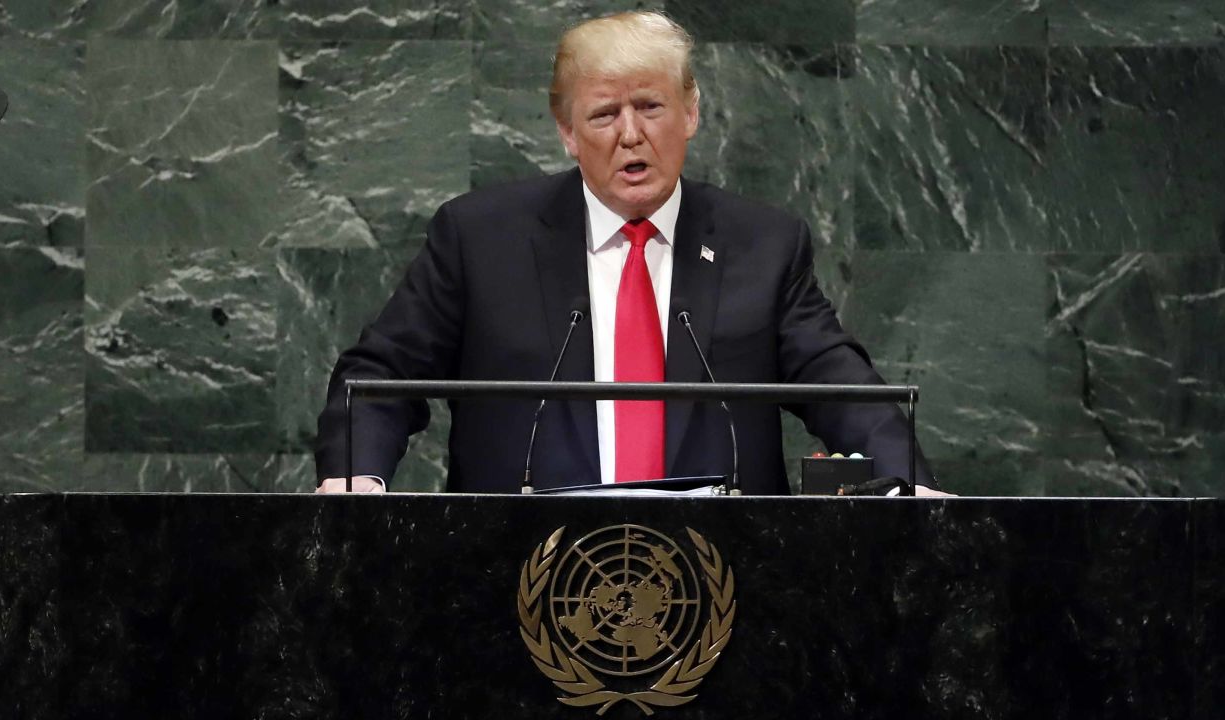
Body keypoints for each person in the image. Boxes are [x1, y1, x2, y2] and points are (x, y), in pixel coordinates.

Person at [315, 11, 945, 495]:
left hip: (721, 583)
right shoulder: (481, 239)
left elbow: (845, 390)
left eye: (650, 106)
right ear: (566, 132)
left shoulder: (764, 244)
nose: (631, 134)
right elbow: (379, 377)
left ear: (692, 112)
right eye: (603, 114)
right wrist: (356, 477)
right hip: (510, 578)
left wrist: (904, 482)